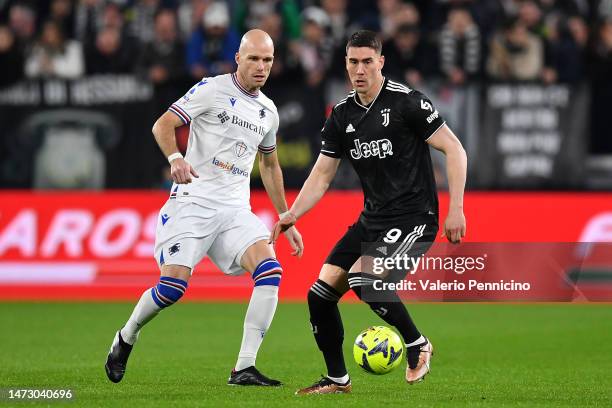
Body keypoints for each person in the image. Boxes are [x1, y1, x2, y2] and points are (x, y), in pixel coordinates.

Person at [270, 30, 467, 394]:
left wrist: (456, 208)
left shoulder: (407, 103)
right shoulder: (341, 115)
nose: (359, 70)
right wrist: (292, 213)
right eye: (352, 62)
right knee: (319, 295)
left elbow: (454, 150)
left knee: (365, 280)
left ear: (380, 62)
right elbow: (323, 174)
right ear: (345, 63)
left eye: (366, 62)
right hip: (371, 220)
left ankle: (417, 344)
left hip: (414, 217)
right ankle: (337, 379)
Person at [105, 29, 303, 387]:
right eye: (254, 58)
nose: (261, 67)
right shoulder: (211, 89)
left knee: (270, 271)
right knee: (172, 289)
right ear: (238, 59)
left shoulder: (268, 111)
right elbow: (162, 123)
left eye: (268, 60)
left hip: (234, 209)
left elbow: (270, 165)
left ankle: (244, 367)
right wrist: (175, 157)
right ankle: (127, 335)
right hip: (193, 201)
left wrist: (285, 214)